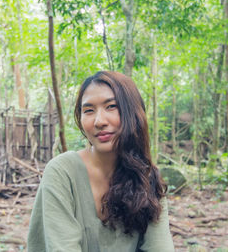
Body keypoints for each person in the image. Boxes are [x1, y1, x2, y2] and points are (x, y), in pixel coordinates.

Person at [27, 71, 175, 252]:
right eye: (88, 110)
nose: (99, 121)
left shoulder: (147, 178)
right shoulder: (62, 172)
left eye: (111, 106)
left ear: (133, 113)